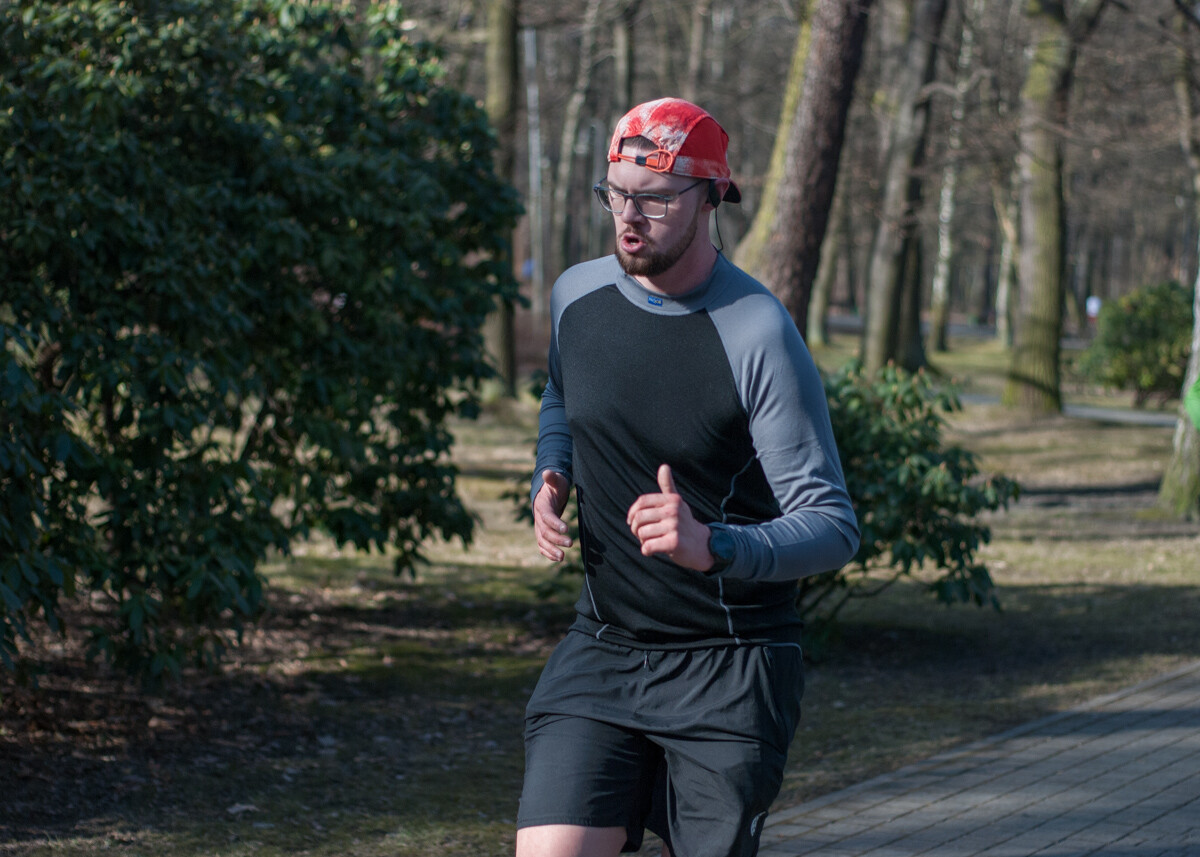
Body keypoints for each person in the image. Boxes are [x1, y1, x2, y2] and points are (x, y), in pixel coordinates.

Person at [516, 97, 861, 857]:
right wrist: (554, 469)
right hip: (604, 645)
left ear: (712, 199)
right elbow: (563, 393)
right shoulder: (577, 296)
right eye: (616, 192)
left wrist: (715, 544)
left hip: (730, 665)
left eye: (655, 198)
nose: (629, 216)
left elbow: (834, 525)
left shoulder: (756, 331)